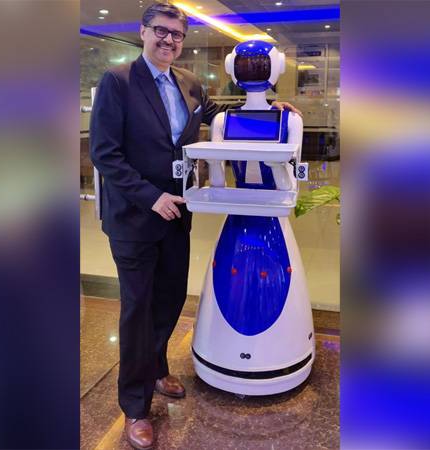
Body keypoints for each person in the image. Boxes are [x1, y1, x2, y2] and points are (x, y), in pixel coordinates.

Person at [89, 3, 301, 449]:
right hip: (135, 217)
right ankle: (135, 407)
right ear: (143, 32)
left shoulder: (187, 82)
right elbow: (105, 154)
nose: (169, 40)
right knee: (137, 310)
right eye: (161, 31)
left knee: (169, 300)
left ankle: (157, 368)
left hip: (178, 212)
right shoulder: (118, 81)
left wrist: (270, 109)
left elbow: (218, 113)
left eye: (177, 35)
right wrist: (151, 197)